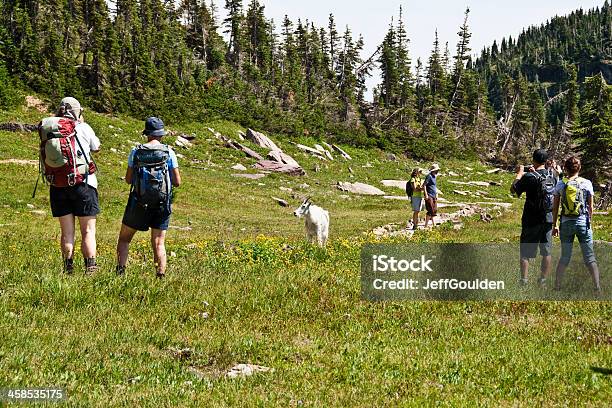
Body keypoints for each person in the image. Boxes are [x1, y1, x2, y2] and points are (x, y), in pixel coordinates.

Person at [116, 117, 181, 278]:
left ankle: (120, 273)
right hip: (161, 203)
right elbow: (177, 182)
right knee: (159, 242)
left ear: (147, 133)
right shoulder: (168, 152)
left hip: (138, 202)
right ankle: (160, 276)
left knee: (124, 239)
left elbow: (129, 180)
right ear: (161, 134)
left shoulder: (136, 151)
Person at [44, 97, 100, 274]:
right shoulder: (82, 127)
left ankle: (68, 268)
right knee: (88, 231)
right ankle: (90, 268)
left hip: (58, 184)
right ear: (77, 111)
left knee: (67, 232)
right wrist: (82, 123)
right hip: (83, 184)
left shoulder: (49, 130)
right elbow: (96, 147)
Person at [552, 156, 601, 292]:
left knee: (565, 257)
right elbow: (591, 207)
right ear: (579, 168)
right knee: (590, 257)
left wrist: (555, 225)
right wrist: (589, 222)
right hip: (582, 223)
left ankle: (557, 286)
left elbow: (555, 207)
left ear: (566, 169)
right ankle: (597, 287)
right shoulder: (587, 183)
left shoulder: (561, 184)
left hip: (566, 223)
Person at [510, 149, 558, 287]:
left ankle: (524, 281)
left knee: (525, 251)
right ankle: (542, 280)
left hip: (531, 218)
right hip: (548, 218)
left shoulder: (529, 177)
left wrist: (519, 174)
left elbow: (513, 190)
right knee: (546, 251)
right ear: (546, 161)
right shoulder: (553, 175)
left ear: (534, 160)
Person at [424, 164, 440, 228]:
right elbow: (424, 185)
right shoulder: (429, 176)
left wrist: (436, 193)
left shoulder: (434, 176)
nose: (438, 171)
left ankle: (433, 224)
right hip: (429, 194)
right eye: (437, 170)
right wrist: (426, 194)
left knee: (434, 210)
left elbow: (434, 186)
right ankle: (426, 225)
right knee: (430, 209)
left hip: (434, 195)